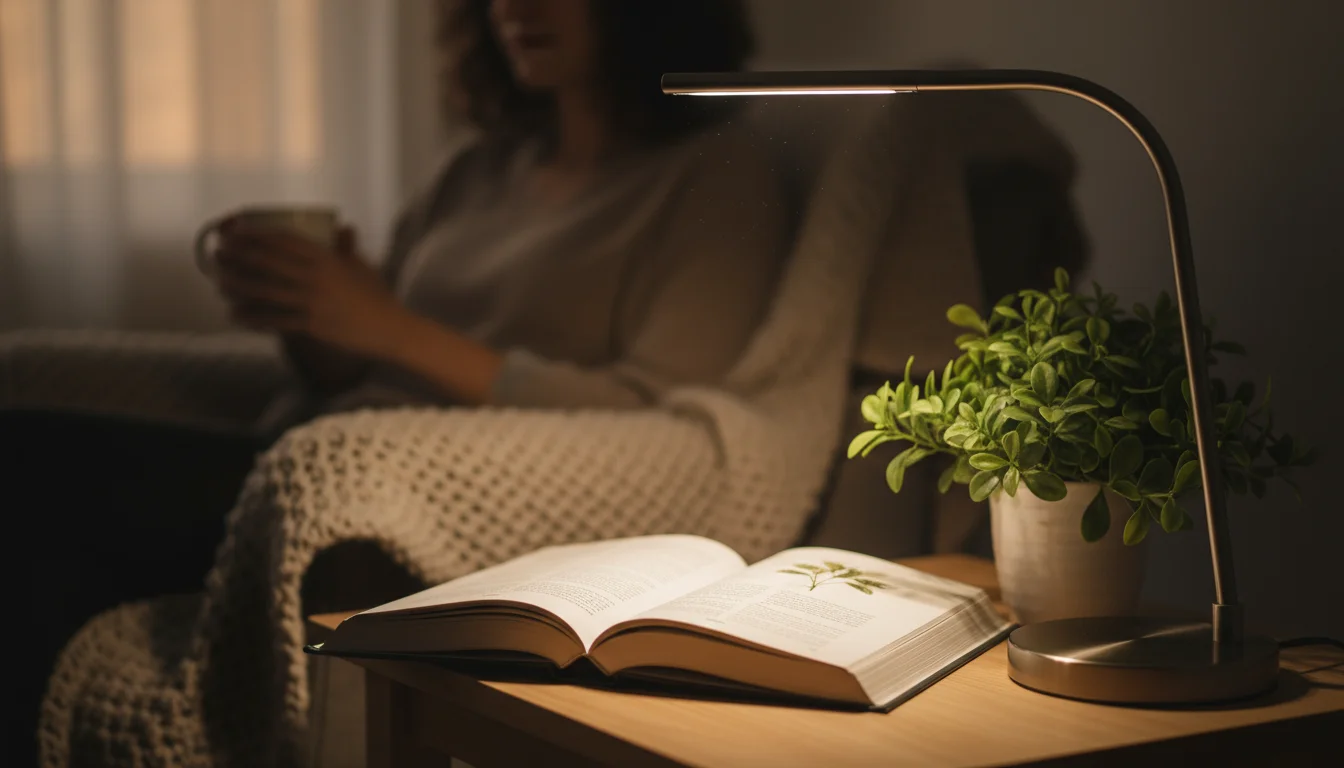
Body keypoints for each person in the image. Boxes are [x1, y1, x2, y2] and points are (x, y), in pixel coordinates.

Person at [6, 0, 787, 760]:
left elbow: (662, 409)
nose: (516, 6)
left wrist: (386, 325)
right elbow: (365, 365)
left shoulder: (715, 173)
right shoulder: (481, 167)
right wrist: (319, 317)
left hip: (384, 496)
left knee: (28, 462)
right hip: (301, 443)